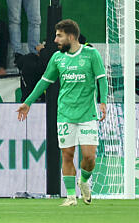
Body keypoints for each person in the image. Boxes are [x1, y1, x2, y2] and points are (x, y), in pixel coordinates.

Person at [18, 19, 107, 206]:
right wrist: (28, 102)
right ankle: (70, 196)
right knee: (67, 155)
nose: (55, 40)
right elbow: (44, 81)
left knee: (89, 157)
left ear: (71, 36)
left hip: (87, 114)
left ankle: (83, 181)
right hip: (65, 114)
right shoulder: (57, 58)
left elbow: (101, 79)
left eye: (59, 36)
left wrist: (103, 102)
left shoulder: (91, 54)